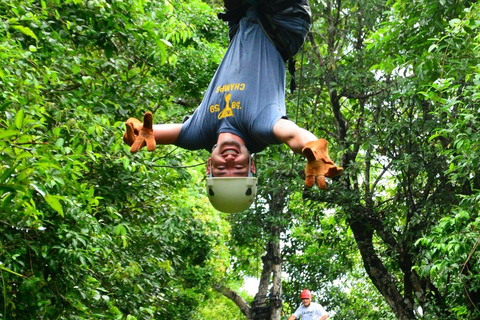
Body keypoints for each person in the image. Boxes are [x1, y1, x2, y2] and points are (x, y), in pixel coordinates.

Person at [123, 0, 343, 212]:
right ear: (251, 166)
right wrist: (312, 149)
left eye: (221, 169)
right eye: (238, 168)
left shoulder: (199, 134)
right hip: (282, 23)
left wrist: (140, 132)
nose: (229, 161)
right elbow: (293, 136)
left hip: (242, 21)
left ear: (209, 165)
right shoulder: (260, 128)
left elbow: (153, 134)